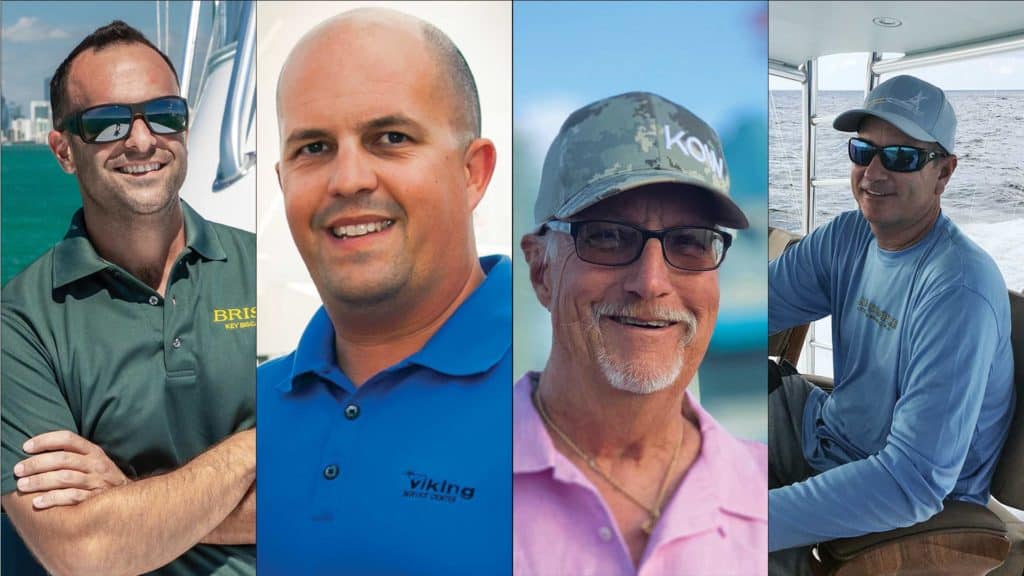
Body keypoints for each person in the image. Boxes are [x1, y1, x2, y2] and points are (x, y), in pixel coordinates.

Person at [257, 8, 510, 574]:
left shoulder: (562, 386)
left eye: (390, 138)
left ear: (473, 172)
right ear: (283, 182)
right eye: (314, 148)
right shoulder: (250, 408)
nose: (349, 180)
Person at [0, 21, 256, 576]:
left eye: (164, 113)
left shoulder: (267, 270)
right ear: (64, 150)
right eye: (109, 123)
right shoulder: (20, 324)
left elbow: (337, 487)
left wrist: (127, 495)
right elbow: (83, 551)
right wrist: (255, 448)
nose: (142, 140)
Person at [768, 74, 1014, 574]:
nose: (873, 173)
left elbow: (912, 482)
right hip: (821, 428)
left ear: (944, 172)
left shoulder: (958, 290)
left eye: (901, 157)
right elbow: (749, 310)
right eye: (863, 151)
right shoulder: (847, 234)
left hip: (898, 505)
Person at [514, 91, 767, 575]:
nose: (651, 283)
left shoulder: (769, 495)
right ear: (540, 271)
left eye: (691, 242)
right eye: (607, 237)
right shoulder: (447, 483)